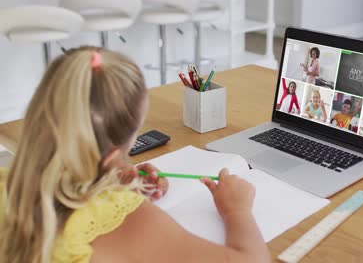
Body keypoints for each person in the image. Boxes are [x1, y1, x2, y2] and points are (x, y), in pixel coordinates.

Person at [0, 47, 270, 263]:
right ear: (113, 154)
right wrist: (236, 210)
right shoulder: (125, 222)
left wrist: (106, 183)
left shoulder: (6, 184)